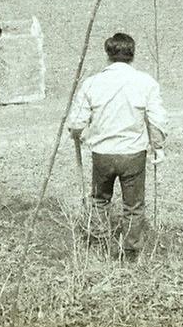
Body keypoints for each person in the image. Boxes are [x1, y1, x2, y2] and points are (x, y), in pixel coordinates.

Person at [67, 33, 168, 261]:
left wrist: (77, 133)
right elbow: (157, 119)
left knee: (99, 200)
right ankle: (131, 251)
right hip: (133, 154)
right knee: (133, 205)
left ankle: (101, 245)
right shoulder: (145, 82)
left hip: (102, 153)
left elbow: (76, 121)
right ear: (132, 55)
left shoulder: (92, 83)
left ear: (108, 54)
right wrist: (158, 146)